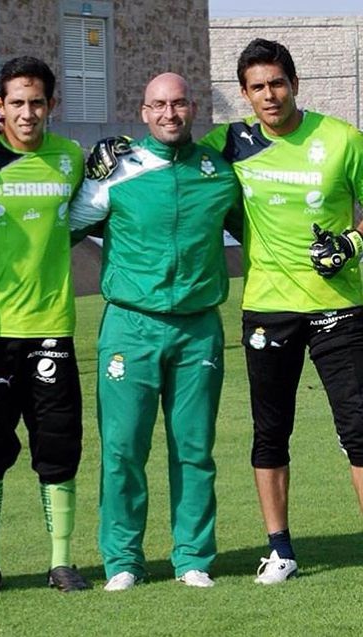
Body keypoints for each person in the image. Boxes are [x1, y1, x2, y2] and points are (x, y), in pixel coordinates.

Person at [198, 38, 363, 584]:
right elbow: (173, 154)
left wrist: (350, 245)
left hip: (341, 305)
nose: (269, 96)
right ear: (244, 94)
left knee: (359, 430)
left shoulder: (341, 139)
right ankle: (280, 549)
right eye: (257, 88)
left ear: (295, 82)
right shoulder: (230, 142)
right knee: (271, 431)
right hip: (267, 307)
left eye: (277, 83)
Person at [70, 73, 242, 591]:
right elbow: (65, 228)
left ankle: (192, 556)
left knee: (194, 448)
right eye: (159, 105)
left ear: (194, 109)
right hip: (130, 326)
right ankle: (122, 561)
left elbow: (261, 230)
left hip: (198, 330)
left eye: (180, 103)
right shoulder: (118, 168)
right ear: (143, 112)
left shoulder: (219, 174)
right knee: (122, 449)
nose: (170, 113)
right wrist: (84, 173)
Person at [0, 56, 90, 595]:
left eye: (37, 103)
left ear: (51, 106)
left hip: (52, 326)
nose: (27, 113)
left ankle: (61, 561)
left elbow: (88, 217)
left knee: (57, 448)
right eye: (16, 103)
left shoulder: (72, 158)